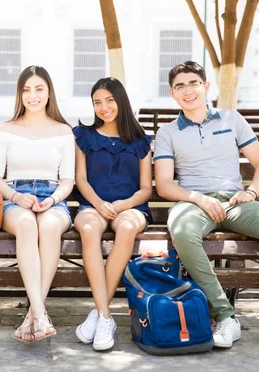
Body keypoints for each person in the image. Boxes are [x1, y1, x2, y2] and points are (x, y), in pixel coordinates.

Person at [153, 60, 259, 352]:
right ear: (172, 93)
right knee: (181, 231)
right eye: (180, 86)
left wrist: (252, 192)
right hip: (194, 203)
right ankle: (225, 316)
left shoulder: (232, 119)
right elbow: (165, 185)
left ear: (205, 86)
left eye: (193, 83)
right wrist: (198, 198)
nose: (187, 90)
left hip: (233, 201)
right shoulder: (167, 132)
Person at [0, 66, 74, 343]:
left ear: (49, 93)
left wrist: (52, 199)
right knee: (26, 224)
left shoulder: (63, 131)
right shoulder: (7, 129)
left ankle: (33, 316)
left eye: (39, 89)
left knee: (49, 226)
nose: (32, 95)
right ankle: (39, 313)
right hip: (14, 196)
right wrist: (16, 198)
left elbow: (67, 181)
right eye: (26, 90)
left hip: (53, 197)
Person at [73, 77, 152, 351]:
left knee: (128, 228)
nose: (103, 107)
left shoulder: (140, 140)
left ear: (121, 101)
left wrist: (121, 206)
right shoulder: (83, 135)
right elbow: (81, 180)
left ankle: (99, 313)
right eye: (97, 102)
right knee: (88, 229)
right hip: (91, 205)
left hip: (130, 207)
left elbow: (145, 189)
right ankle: (106, 315)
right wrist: (97, 204)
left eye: (109, 100)